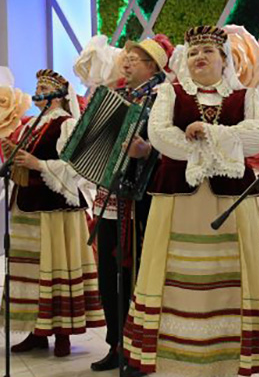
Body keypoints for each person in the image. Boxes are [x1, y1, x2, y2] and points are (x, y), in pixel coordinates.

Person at [122, 25, 259, 377]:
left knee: (228, 274)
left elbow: (258, 139)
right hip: (178, 202)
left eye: (207, 51)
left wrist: (208, 133)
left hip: (230, 204)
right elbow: (161, 136)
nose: (199, 57)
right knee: (174, 274)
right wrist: (212, 146)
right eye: (192, 52)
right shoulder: (170, 93)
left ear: (224, 59)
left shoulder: (247, 96)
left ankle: (225, 358)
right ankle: (175, 358)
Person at [0, 69, 105, 357]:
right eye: (37, 87)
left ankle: (62, 334)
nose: (38, 92)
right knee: (33, 269)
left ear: (59, 95)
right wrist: (14, 157)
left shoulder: (67, 124)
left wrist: (38, 164)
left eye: (44, 88)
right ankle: (37, 331)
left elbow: (77, 167)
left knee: (57, 265)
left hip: (56, 208)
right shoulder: (30, 126)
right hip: (28, 204)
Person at [88, 38, 168, 373]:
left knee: (138, 276)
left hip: (142, 199)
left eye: (135, 58)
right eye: (127, 57)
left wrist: (147, 152)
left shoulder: (164, 98)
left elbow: (171, 148)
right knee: (109, 275)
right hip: (111, 197)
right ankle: (116, 344)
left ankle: (142, 348)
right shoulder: (119, 96)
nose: (127, 62)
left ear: (153, 66)